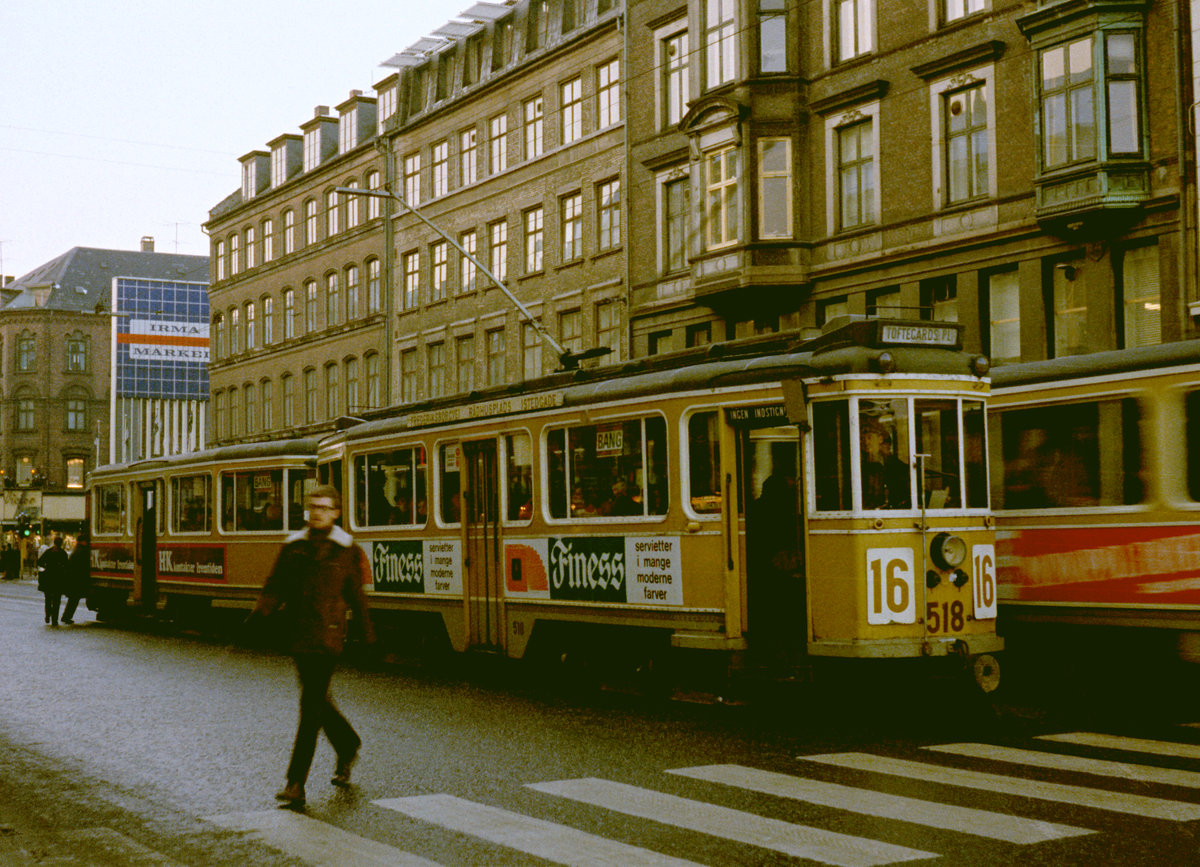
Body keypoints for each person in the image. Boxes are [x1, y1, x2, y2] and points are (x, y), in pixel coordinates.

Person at [248, 484, 374, 808]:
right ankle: (347, 744)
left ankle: (295, 783)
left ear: (336, 513)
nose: (317, 511)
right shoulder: (294, 546)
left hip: (329, 637)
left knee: (310, 707)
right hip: (299, 635)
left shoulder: (346, 549)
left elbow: (357, 597)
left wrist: (369, 636)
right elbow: (275, 586)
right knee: (317, 703)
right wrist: (258, 617)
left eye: (324, 507)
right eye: (313, 506)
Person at [37, 534, 69, 626]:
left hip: (48, 578)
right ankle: (54, 619)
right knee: (56, 600)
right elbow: (66, 566)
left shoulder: (48, 552)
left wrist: (47, 566)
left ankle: (47, 615)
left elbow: (40, 562)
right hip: (58, 579)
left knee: (48, 599)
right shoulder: (63, 553)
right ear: (61, 544)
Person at [61, 531, 92, 624]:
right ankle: (66, 617)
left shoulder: (77, 550)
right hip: (76, 580)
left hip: (73, 579)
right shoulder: (81, 550)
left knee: (73, 599)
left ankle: (66, 616)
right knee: (74, 599)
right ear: (83, 542)